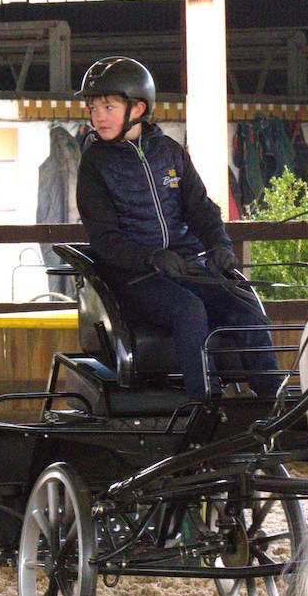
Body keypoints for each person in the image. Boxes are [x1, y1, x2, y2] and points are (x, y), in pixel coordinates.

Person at [74, 56, 281, 402]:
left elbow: (200, 208)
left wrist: (219, 246)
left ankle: (274, 401)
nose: (98, 117)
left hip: (184, 266)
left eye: (107, 107)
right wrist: (152, 257)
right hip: (133, 277)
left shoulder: (169, 153)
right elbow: (104, 239)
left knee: (242, 303)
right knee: (188, 309)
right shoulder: (94, 165)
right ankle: (207, 405)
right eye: (94, 108)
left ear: (137, 108)